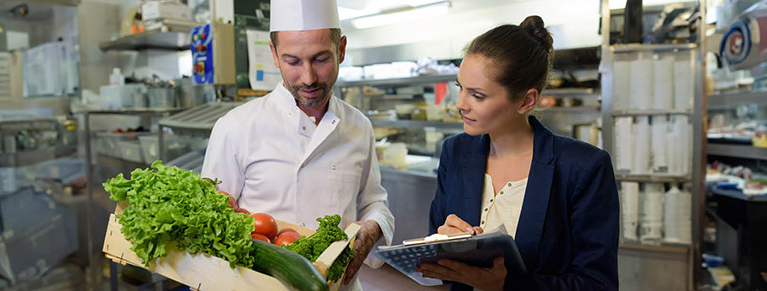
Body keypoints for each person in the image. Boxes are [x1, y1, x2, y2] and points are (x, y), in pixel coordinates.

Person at [200, 0, 394, 286]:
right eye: (293, 61)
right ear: (274, 54)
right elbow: (211, 221)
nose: (308, 78)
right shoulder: (236, 127)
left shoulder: (359, 126)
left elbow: (374, 201)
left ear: (340, 49)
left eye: (321, 59)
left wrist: (374, 226)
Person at [421, 15, 620, 290]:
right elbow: (438, 258)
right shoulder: (456, 152)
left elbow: (598, 284)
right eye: (460, 88)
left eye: (477, 96)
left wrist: (506, 284)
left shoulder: (583, 168)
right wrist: (442, 244)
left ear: (526, 100)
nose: (460, 104)